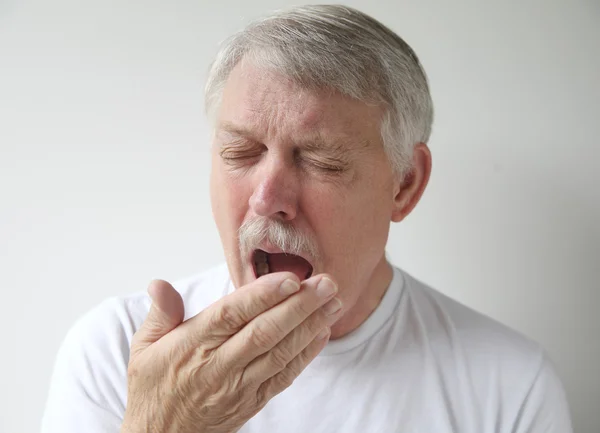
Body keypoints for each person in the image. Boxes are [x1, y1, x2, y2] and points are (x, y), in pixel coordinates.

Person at [41, 4, 573, 433]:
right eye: (241, 152)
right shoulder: (117, 351)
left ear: (405, 184)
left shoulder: (510, 386)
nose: (268, 197)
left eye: (322, 161)